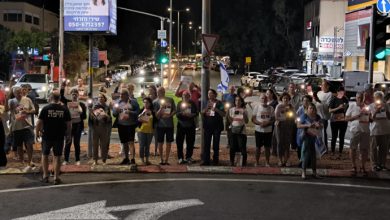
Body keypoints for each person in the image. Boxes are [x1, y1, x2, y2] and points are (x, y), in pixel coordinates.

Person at [36, 90, 71, 185]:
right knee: (57, 156)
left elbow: (39, 122)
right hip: (59, 136)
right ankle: (56, 177)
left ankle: (45, 176)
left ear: (51, 98)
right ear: (59, 98)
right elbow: (68, 124)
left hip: (47, 135)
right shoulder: (64, 109)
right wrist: (68, 135)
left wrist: (37, 133)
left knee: (45, 155)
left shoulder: (46, 108)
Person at [8, 87, 35, 169]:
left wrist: (27, 111)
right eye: (17, 92)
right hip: (16, 126)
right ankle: (22, 160)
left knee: (29, 144)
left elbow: (34, 110)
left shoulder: (27, 99)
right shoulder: (11, 101)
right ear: (14, 93)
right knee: (19, 145)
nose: (19, 94)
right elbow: (7, 110)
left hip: (27, 126)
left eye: (20, 92)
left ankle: (30, 160)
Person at [345, 92, 370, 176]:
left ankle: (363, 166)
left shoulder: (367, 107)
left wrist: (372, 115)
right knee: (353, 148)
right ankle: (353, 166)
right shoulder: (352, 106)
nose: (359, 99)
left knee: (364, 149)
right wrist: (357, 116)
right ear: (356, 98)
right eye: (358, 97)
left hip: (365, 130)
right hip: (355, 130)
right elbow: (347, 118)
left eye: (361, 97)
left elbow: (371, 119)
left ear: (364, 98)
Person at [113, 88, 140, 165]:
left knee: (131, 142)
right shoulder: (118, 102)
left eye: (123, 94)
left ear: (127, 95)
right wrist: (116, 111)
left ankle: (132, 159)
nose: (121, 96)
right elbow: (114, 114)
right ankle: (126, 158)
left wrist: (130, 112)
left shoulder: (133, 102)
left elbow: (138, 112)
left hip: (130, 125)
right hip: (121, 125)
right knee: (124, 142)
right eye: (120, 94)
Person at [61, 88, 87, 165]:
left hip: (78, 125)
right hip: (69, 125)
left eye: (76, 94)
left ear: (78, 95)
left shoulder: (81, 104)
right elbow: (62, 98)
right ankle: (66, 159)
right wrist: (62, 88)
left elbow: (84, 116)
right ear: (71, 95)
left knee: (76, 142)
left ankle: (77, 159)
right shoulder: (68, 103)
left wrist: (79, 108)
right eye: (73, 94)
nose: (74, 95)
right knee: (68, 142)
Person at [297, 103, 323, 179]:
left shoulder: (317, 117)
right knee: (306, 154)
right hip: (306, 136)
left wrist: (319, 125)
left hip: (314, 137)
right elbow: (298, 125)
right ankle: (303, 172)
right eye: (310, 108)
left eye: (313, 108)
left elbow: (321, 125)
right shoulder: (304, 116)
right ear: (307, 109)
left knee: (313, 156)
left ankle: (314, 172)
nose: (312, 110)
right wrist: (308, 125)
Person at [201, 89, 225, 166]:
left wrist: (216, 110)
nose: (209, 95)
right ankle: (206, 160)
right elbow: (201, 112)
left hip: (217, 127)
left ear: (215, 95)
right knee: (207, 144)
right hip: (208, 126)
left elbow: (223, 114)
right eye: (208, 93)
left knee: (216, 144)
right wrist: (205, 110)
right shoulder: (206, 102)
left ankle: (215, 160)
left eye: (211, 93)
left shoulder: (219, 103)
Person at [153, 87, 176, 165]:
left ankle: (166, 159)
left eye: (162, 92)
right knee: (160, 142)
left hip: (169, 125)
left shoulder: (170, 99)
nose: (160, 93)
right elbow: (155, 115)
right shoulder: (155, 102)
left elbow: (174, 110)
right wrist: (161, 108)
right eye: (159, 92)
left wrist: (170, 116)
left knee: (169, 142)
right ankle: (161, 159)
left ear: (164, 92)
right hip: (160, 125)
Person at [369, 91, 390, 171]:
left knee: (384, 149)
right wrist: (376, 111)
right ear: (374, 98)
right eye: (377, 97)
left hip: (385, 130)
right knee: (373, 148)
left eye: (380, 97)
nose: (378, 99)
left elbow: (389, 117)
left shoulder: (386, 105)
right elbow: (371, 119)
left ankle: (382, 164)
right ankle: (374, 165)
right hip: (375, 131)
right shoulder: (371, 106)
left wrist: (387, 110)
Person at [89, 93, 112, 166]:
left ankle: (104, 160)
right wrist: (92, 114)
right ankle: (95, 160)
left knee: (103, 145)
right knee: (95, 145)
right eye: (99, 97)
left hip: (104, 127)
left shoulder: (107, 107)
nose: (100, 98)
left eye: (102, 97)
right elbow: (91, 118)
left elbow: (109, 119)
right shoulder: (94, 107)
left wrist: (106, 115)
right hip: (95, 127)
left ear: (104, 99)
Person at [252, 93, 274, 167]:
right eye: (262, 98)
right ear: (260, 99)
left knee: (267, 147)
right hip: (258, 130)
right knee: (258, 147)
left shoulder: (271, 108)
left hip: (268, 131)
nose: (264, 100)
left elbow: (273, 119)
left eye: (265, 98)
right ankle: (257, 162)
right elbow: (253, 119)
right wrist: (260, 123)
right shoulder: (257, 107)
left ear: (267, 99)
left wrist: (268, 123)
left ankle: (267, 162)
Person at [176, 91, 198, 164]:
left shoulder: (192, 103)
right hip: (181, 125)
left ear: (189, 96)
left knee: (190, 142)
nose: (185, 97)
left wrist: (192, 115)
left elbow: (196, 113)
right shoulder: (179, 103)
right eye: (184, 95)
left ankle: (188, 157)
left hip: (190, 125)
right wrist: (182, 113)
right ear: (182, 96)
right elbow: (177, 114)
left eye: (187, 95)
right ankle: (180, 158)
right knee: (179, 142)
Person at [274, 92, 294, 167]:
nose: (285, 100)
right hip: (280, 126)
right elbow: (276, 117)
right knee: (279, 143)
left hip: (288, 126)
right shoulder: (279, 106)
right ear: (281, 99)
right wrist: (284, 118)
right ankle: (280, 159)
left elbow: (294, 115)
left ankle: (286, 159)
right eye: (284, 98)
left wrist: (291, 115)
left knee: (287, 143)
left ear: (289, 99)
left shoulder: (291, 106)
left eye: (287, 98)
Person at [228, 96, 249, 166]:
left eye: (239, 100)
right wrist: (229, 116)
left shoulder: (244, 110)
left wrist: (243, 113)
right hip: (233, 130)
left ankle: (244, 162)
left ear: (242, 102)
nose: (237, 102)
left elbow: (246, 121)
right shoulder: (231, 109)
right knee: (232, 147)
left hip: (242, 131)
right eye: (236, 100)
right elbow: (231, 120)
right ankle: (231, 161)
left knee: (242, 147)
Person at [328, 87, 349, 158]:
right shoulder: (333, 99)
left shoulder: (345, 99)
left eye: (343, 92)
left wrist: (346, 108)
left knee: (342, 136)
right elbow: (330, 110)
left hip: (343, 120)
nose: (341, 94)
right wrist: (339, 108)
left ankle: (340, 152)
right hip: (334, 120)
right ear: (337, 92)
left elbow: (348, 108)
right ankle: (332, 151)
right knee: (334, 136)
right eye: (340, 92)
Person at [137, 97, 156, 165]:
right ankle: (142, 160)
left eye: (147, 102)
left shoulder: (152, 111)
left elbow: (155, 121)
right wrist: (142, 113)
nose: (145, 104)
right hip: (141, 130)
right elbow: (138, 119)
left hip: (150, 131)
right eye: (144, 102)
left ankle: (147, 160)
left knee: (147, 146)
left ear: (150, 103)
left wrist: (153, 129)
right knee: (142, 146)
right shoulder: (141, 110)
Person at [296, 95, 313, 161]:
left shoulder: (312, 108)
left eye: (307, 101)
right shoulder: (300, 109)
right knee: (300, 145)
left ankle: (308, 160)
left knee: (309, 145)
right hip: (301, 129)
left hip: (310, 130)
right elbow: (297, 117)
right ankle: (301, 160)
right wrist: (297, 121)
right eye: (304, 100)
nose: (305, 102)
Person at [317, 80, 332, 151]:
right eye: (321, 85)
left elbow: (327, 105)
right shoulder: (319, 93)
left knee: (323, 132)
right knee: (317, 132)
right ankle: (318, 146)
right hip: (317, 115)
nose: (322, 87)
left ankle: (325, 147)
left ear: (327, 86)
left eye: (324, 85)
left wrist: (319, 101)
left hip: (324, 116)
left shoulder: (329, 94)